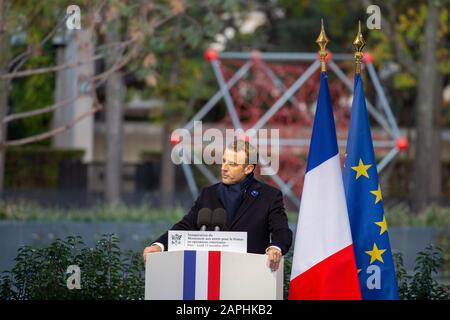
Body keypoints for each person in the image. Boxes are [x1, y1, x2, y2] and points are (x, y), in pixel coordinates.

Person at [143, 139, 292, 272]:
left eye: (232, 164)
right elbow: (186, 225)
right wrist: (159, 245)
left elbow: (282, 230)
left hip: (250, 275)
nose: (224, 168)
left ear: (248, 169)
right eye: (224, 161)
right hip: (209, 276)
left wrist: (275, 247)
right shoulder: (209, 193)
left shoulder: (269, 196)